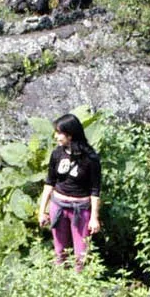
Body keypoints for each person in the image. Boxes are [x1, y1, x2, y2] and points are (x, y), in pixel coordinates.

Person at [36, 113, 101, 269]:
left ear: (70, 135)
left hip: (80, 209)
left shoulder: (90, 158)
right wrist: (42, 210)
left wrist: (94, 218)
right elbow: (49, 183)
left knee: (81, 254)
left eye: (59, 133)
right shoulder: (57, 153)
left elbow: (95, 190)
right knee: (60, 251)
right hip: (58, 206)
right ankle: (61, 281)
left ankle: (80, 285)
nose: (56, 136)